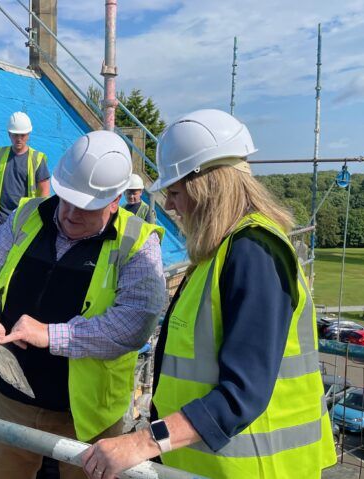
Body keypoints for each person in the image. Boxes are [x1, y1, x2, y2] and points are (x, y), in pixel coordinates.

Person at [82, 110, 337, 479]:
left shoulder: (254, 253)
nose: (170, 206)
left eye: (174, 192)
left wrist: (141, 443)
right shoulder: (220, 252)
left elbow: (241, 396)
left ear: (206, 186)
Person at [0, 130, 166, 479]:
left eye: (86, 207)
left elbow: (134, 323)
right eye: (66, 198)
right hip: (13, 400)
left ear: (115, 200)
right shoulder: (28, 216)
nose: (69, 213)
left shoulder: (137, 242)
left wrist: (52, 335)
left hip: (87, 415)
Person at [0, 111, 51, 249]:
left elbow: (44, 191)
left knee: (16, 256)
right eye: (15, 135)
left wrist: (39, 216)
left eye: (22, 135)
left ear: (28, 135)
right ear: (9, 134)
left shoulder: (37, 159)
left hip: (25, 217)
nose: (19, 138)